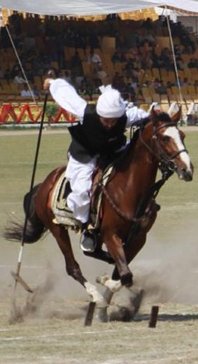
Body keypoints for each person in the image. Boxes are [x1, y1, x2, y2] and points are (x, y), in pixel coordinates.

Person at [45, 76, 150, 253]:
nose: (109, 124)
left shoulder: (126, 116)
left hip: (112, 151)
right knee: (82, 190)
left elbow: (145, 115)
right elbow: (67, 96)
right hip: (85, 154)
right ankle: (88, 229)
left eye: (113, 121)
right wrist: (53, 83)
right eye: (105, 120)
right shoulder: (85, 111)